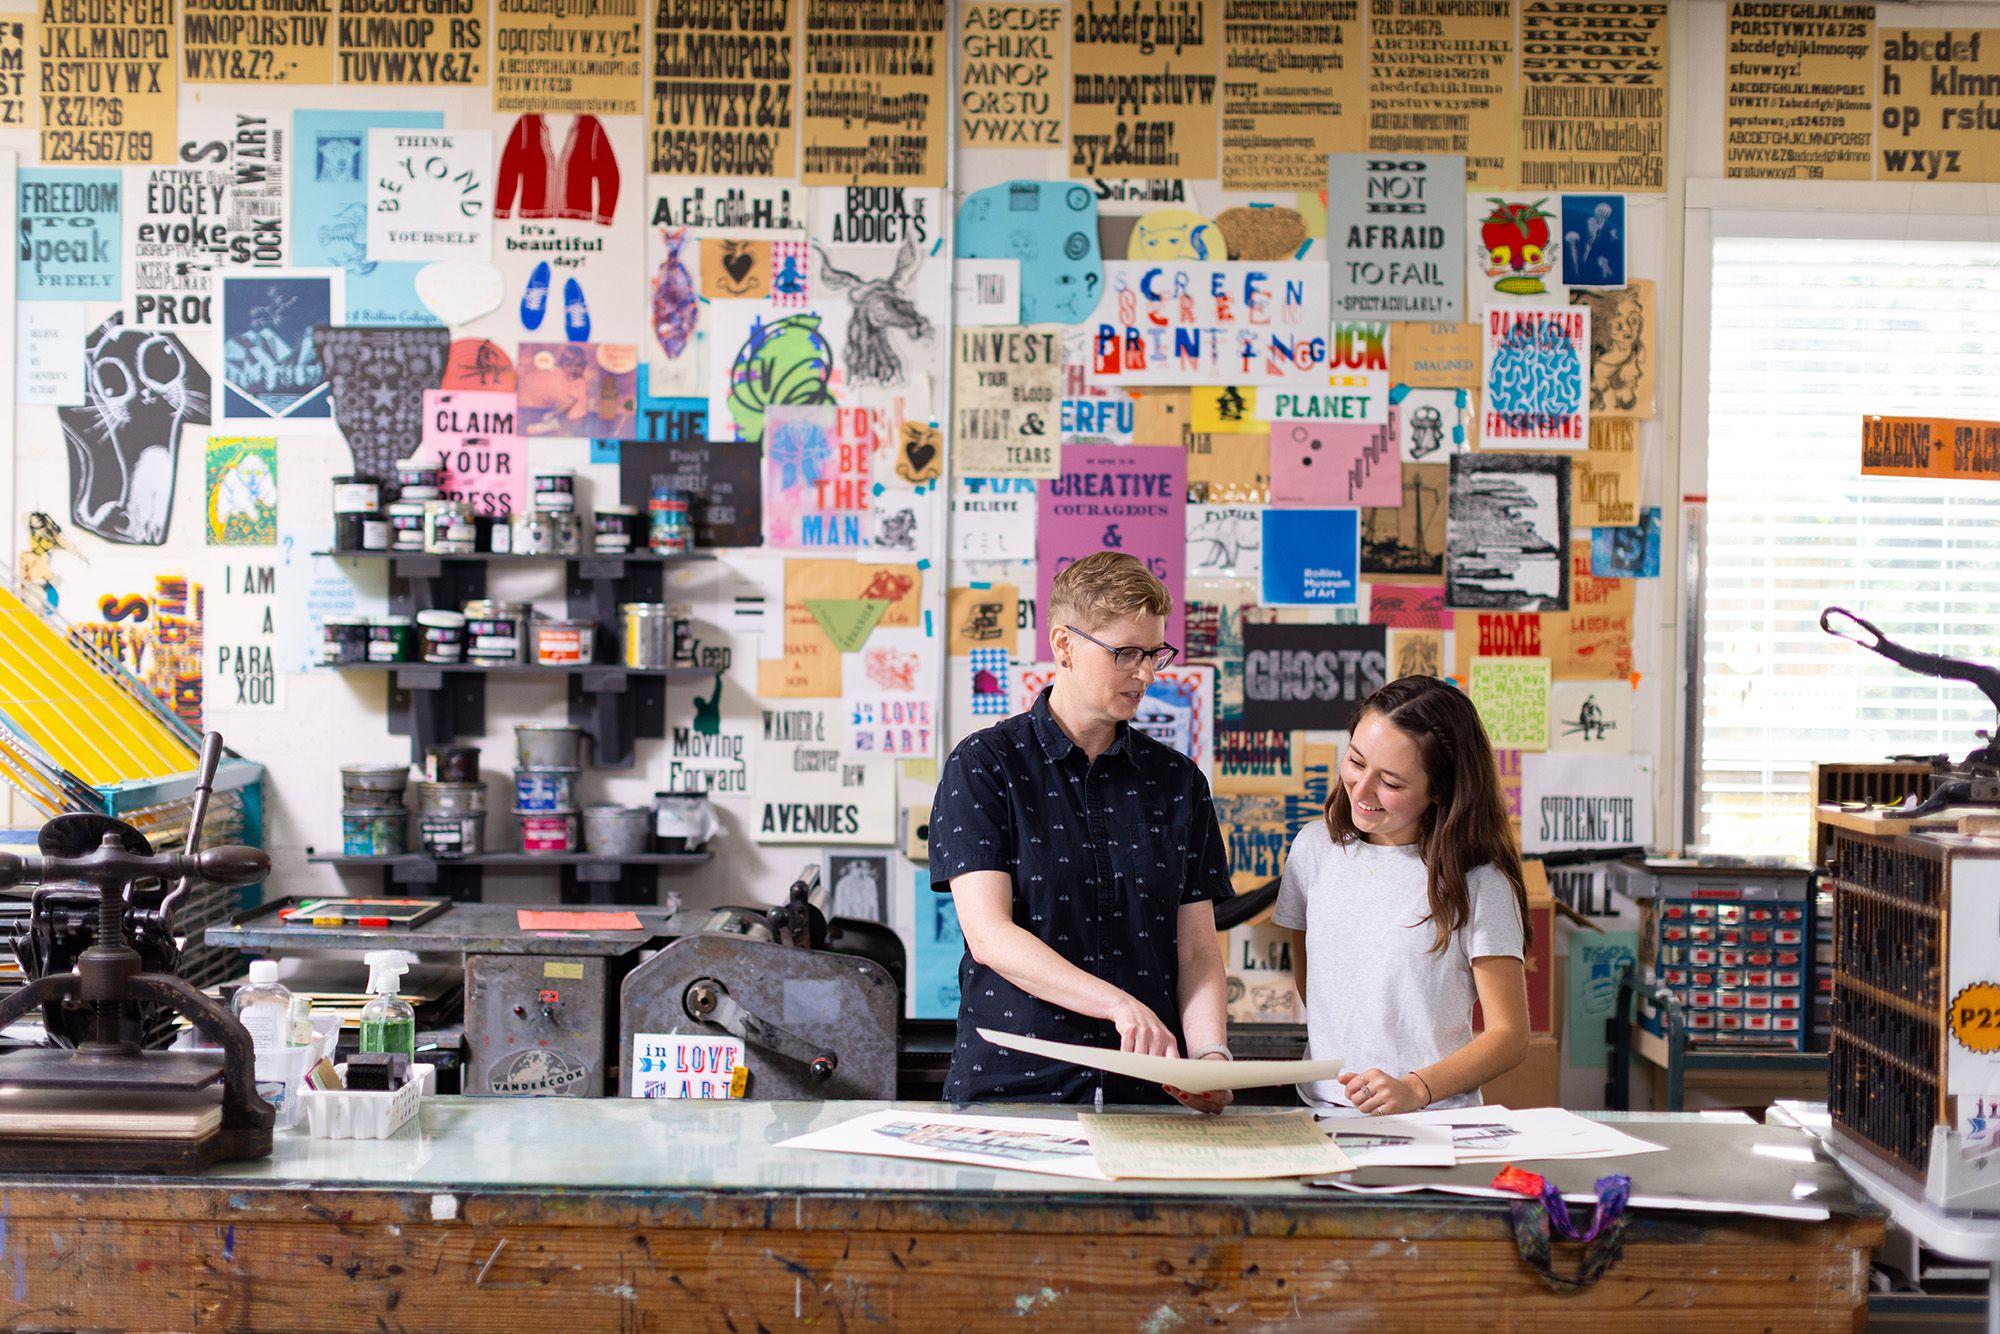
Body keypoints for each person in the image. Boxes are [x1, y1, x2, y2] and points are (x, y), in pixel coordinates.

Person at [929, 551, 1234, 1110]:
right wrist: (1118, 1004)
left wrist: (1210, 1054)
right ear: (1063, 644)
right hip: (1015, 1089)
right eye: (1125, 653)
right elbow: (989, 934)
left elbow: (1195, 951)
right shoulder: (986, 765)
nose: (1145, 674)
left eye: (1154, 653)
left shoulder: (1178, 782)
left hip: (1147, 1094)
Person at [1273, 676, 1531, 1116]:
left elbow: (1510, 1035)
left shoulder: (1478, 881)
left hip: (1434, 1120)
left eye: (1390, 782)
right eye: (1356, 761)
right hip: (1321, 1112)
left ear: (1439, 791)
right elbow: (1316, 984)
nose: (1361, 788)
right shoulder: (1313, 849)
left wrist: (1417, 1088)